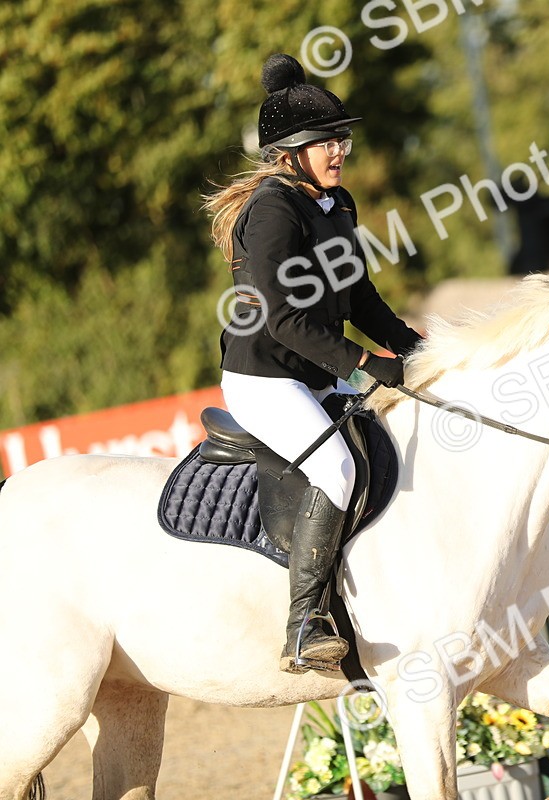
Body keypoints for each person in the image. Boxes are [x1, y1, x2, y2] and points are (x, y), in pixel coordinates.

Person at [203, 54, 422, 673]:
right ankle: (304, 622)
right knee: (337, 466)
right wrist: (360, 363)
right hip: (265, 378)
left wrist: (410, 347)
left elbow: (361, 298)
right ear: (289, 153)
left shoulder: (337, 204)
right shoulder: (273, 211)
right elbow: (279, 318)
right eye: (326, 142)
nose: (339, 150)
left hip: (313, 373)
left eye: (341, 138)